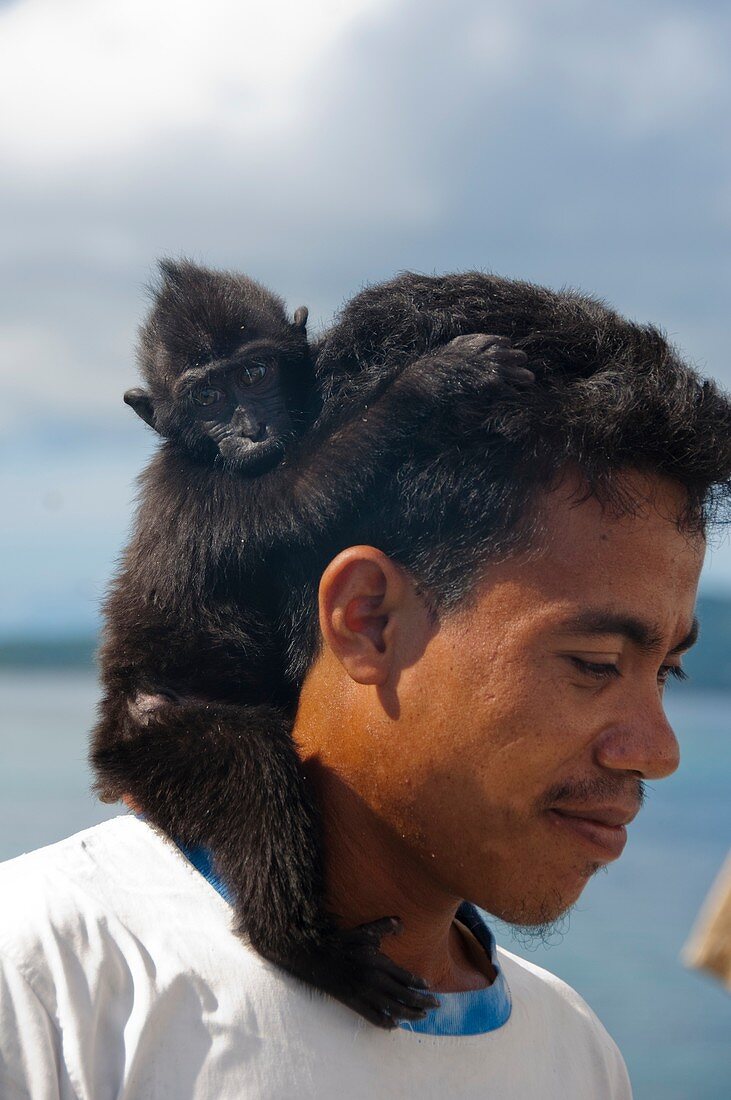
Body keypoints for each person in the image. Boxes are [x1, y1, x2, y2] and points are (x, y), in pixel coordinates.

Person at [1, 275, 729, 1099]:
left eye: (665, 671)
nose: (657, 751)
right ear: (367, 620)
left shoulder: (578, 1057)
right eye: (594, 663)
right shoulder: (44, 986)